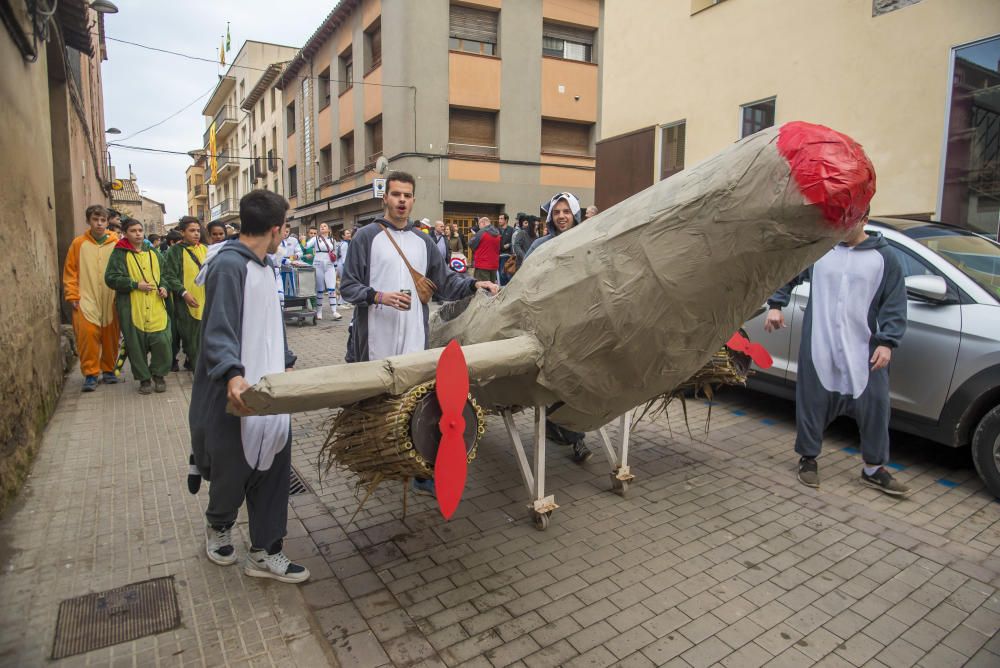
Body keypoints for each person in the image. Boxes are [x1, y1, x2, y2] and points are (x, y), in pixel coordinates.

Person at [340, 171, 499, 495]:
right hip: (375, 341)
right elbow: (348, 286)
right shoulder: (366, 237)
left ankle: (420, 469)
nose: (401, 200)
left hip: (415, 340)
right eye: (396, 194)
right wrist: (378, 296)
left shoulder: (424, 241)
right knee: (378, 403)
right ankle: (378, 462)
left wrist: (474, 283)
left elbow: (445, 282)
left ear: (413, 200)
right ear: (385, 197)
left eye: (407, 195)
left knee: (416, 404)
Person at [189, 189, 309, 583]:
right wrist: (232, 374)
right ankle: (219, 524)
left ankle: (266, 550)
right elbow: (218, 329)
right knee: (231, 469)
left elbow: (269, 324)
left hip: (270, 388)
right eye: (285, 227)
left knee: (274, 467)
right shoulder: (229, 266)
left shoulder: (266, 266)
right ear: (276, 230)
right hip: (236, 389)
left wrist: (286, 362)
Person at [764, 210, 910, 496]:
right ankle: (808, 459)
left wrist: (888, 342)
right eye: (839, 219)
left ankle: (873, 468)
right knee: (812, 403)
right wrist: (776, 305)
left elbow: (895, 302)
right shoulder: (820, 250)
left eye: (850, 220)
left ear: (865, 219)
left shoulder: (884, 258)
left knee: (876, 406)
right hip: (821, 345)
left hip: (863, 350)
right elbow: (788, 272)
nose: (842, 226)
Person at [104, 218, 171, 394]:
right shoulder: (119, 253)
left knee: (162, 342)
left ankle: (159, 374)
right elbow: (110, 278)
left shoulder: (154, 253)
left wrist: (164, 287)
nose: (138, 234)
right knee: (136, 345)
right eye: (133, 231)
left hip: (156, 306)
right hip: (132, 307)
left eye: (140, 230)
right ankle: (144, 379)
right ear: (125, 233)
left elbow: (164, 275)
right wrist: (134, 284)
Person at [63, 204, 121, 392]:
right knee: (87, 335)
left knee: (111, 335)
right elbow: (70, 271)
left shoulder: (116, 243)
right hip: (85, 296)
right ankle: (90, 373)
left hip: (110, 295)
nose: (99, 224)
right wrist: (71, 293)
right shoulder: (78, 244)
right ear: (89, 221)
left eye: (103, 220)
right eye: (95, 220)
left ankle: (109, 369)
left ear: (107, 222)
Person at [163, 217, 207, 371]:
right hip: (185, 302)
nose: (196, 234)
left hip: (204, 300)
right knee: (191, 338)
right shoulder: (175, 251)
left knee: (202, 338)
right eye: (192, 231)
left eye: (198, 230)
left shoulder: (205, 249)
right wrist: (184, 293)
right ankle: (197, 369)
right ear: (182, 232)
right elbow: (169, 276)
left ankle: (194, 363)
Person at [526, 191, 583, 259]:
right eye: (556, 212)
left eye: (566, 212)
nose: (561, 216)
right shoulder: (539, 245)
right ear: (551, 216)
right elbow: (525, 269)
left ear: (575, 215)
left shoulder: (585, 243)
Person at [305, 223, 342, 321]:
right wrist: (303, 240)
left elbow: (334, 254)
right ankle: (319, 311)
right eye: (321, 226)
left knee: (331, 288)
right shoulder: (315, 238)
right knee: (320, 289)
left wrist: (335, 267)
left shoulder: (333, 240)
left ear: (329, 229)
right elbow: (306, 246)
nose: (322, 227)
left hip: (329, 265)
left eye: (325, 226)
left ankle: (334, 311)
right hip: (318, 264)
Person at [469, 216, 501, 282]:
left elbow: (471, 243)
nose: (479, 227)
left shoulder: (481, 232)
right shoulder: (497, 233)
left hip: (482, 265)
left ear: (483, 223)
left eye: (479, 224)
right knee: (491, 288)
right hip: (494, 265)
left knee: (482, 289)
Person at [335, 229, 351, 306]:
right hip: (342, 264)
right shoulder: (345, 244)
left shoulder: (341, 243)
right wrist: (347, 267)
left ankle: (342, 300)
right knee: (344, 282)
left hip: (339, 264)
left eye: (349, 233)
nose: (349, 234)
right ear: (343, 236)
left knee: (342, 282)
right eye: (347, 233)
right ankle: (342, 300)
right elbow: (344, 257)